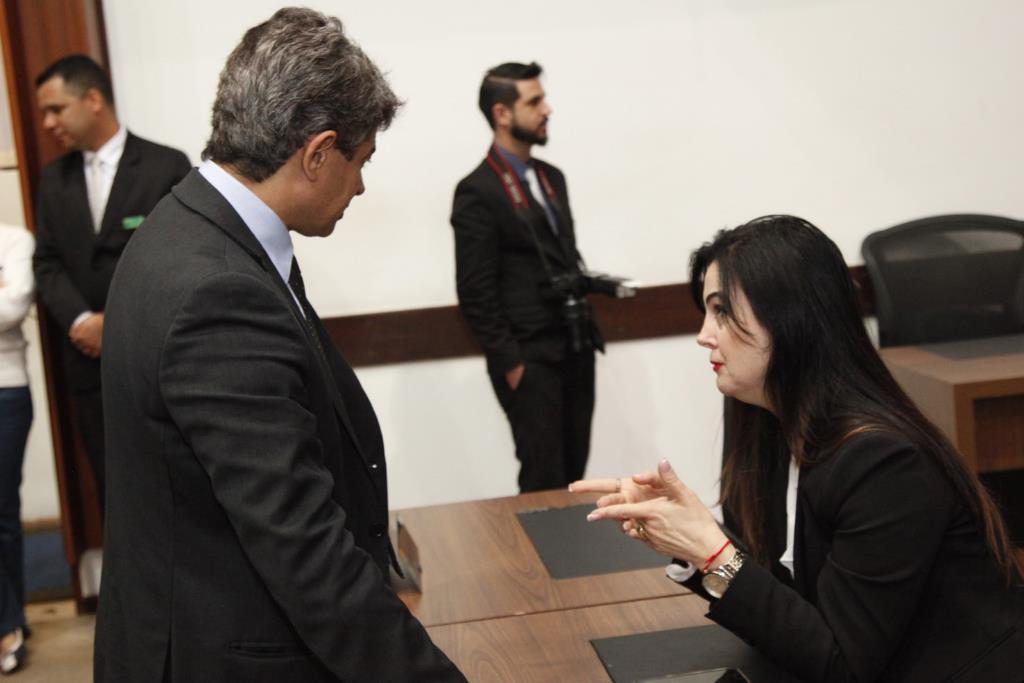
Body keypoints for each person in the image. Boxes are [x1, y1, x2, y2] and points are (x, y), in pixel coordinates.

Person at [94, 8, 464, 682]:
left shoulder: (184, 226)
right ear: (318, 153)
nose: (361, 186)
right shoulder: (218, 290)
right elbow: (302, 547)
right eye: (361, 161)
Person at [573, 215, 1024, 682]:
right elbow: (781, 605)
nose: (704, 335)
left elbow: (842, 667)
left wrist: (712, 552)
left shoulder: (885, 463)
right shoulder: (767, 426)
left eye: (721, 311)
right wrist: (688, 538)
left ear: (790, 317)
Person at [32, 54, 191, 513]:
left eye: (56, 109)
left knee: (173, 489)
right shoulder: (54, 180)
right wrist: (82, 320)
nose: (48, 123)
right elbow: (47, 262)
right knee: (114, 495)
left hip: (154, 358)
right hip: (89, 366)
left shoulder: (165, 165)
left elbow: (180, 259)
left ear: (93, 100)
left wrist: (115, 322)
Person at [452, 61, 602, 493]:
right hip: (531, 360)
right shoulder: (477, 190)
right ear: (502, 113)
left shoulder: (552, 178)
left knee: (574, 479)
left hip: (575, 346)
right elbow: (475, 291)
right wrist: (513, 366)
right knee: (542, 482)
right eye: (534, 102)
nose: (547, 109)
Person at [0, 223, 34, 675]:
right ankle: (7, 624)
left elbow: (14, 305)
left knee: (4, 513)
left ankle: (13, 618)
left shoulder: (14, 240)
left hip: (7, 390)